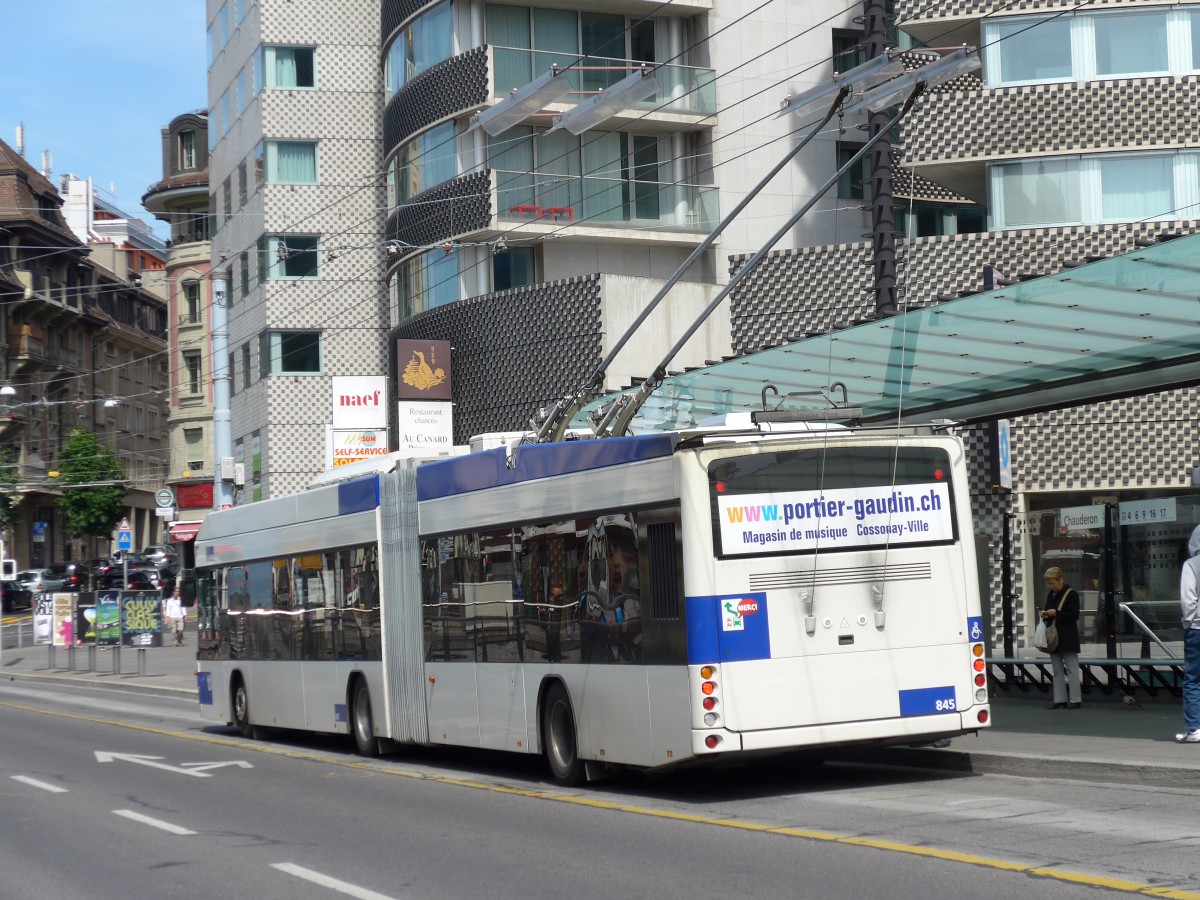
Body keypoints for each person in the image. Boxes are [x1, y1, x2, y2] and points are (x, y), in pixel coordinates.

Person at [1042, 566, 1081, 709]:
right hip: (1055, 638)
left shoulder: (1072, 594)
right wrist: (1044, 613)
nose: (1051, 586)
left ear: (1061, 580)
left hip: (1068, 636)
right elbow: (1049, 613)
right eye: (1049, 583)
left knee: (1072, 669)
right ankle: (1059, 699)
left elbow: (1074, 615)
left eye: (1053, 583)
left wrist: (1055, 613)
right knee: (1057, 670)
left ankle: (1075, 699)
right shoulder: (1050, 595)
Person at [1176, 525, 1200, 743]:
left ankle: (1194, 728)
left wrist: (1188, 622)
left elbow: (1188, 598)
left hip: (1197, 628)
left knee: (1193, 679)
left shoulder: (1192, 565)